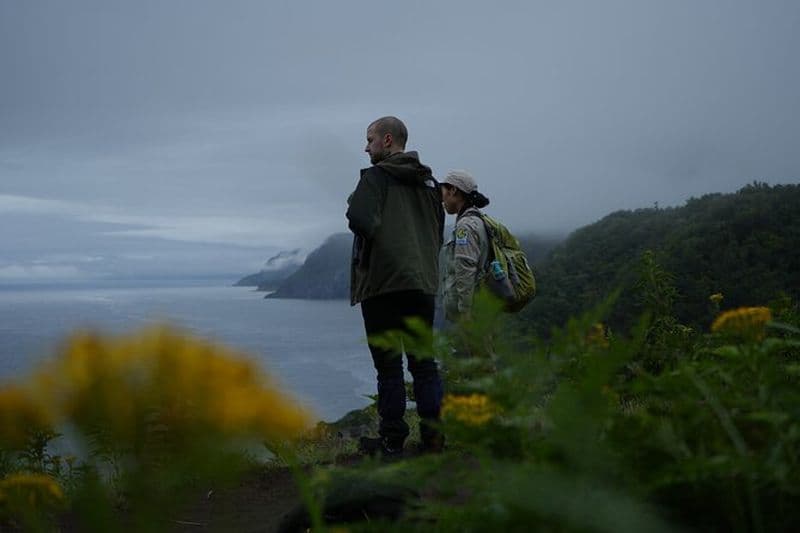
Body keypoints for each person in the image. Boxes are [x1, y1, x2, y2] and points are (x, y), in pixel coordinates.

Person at [346, 116, 445, 456]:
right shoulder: (431, 184)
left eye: (370, 139)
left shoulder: (376, 178)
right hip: (422, 285)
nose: (366, 146)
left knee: (389, 366)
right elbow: (436, 233)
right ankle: (433, 439)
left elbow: (357, 219)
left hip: (383, 286)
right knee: (424, 363)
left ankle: (392, 440)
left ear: (387, 140)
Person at [439, 169, 491, 326]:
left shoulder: (465, 227)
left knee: (476, 350)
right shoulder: (477, 220)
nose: (442, 199)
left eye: (443, 191)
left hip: (470, 314)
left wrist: (465, 312)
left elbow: (465, 268)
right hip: (481, 307)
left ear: (453, 190)